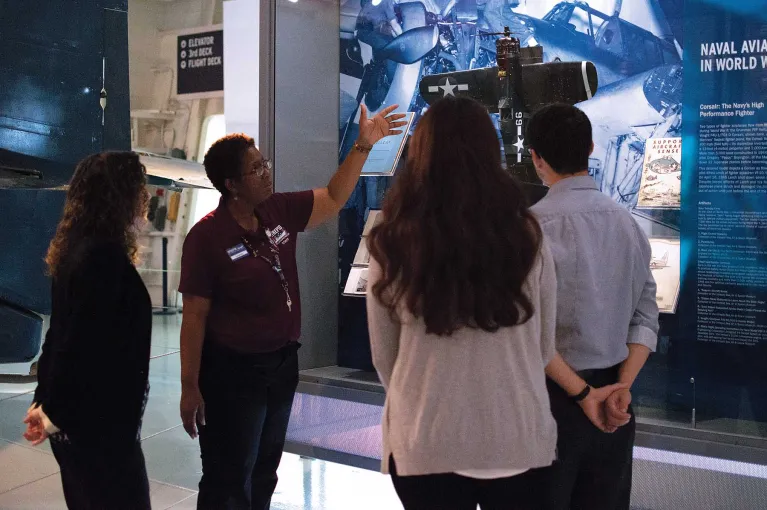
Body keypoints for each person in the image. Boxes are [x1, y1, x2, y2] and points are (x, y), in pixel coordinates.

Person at [364, 96, 609, 510]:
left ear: (420, 152)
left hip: (425, 437)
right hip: (514, 433)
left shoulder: (392, 237)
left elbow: (385, 356)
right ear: (489, 151)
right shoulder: (526, 234)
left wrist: (423, 392)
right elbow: (542, 345)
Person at [178, 104, 406, 509]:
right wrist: (189, 386)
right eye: (256, 169)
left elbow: (335, 197)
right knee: (229, 475)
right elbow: (194, 316)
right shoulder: (206, 237)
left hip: (281, 365)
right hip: (233, 373)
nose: (267, 171)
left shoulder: (277, 210)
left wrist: (363, 146)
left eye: (264, 163)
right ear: (231, 184)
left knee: (265, 468)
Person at [527, 103, 660, 510]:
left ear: (535, 157)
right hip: (616, 407)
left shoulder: (529, 229)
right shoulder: (628, 225)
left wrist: (586, 394)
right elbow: (645, 316)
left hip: (550, 403)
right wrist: (620, 389)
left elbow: (526, 330)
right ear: (590, 147)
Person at [23, 152, 153, 509]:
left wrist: (44, 404)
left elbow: (59, 335)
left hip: (77, 427)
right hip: (100, 431)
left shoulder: (75, 252)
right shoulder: (103, 261)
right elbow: (80, 348)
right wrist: (54, 413)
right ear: (123, 196)